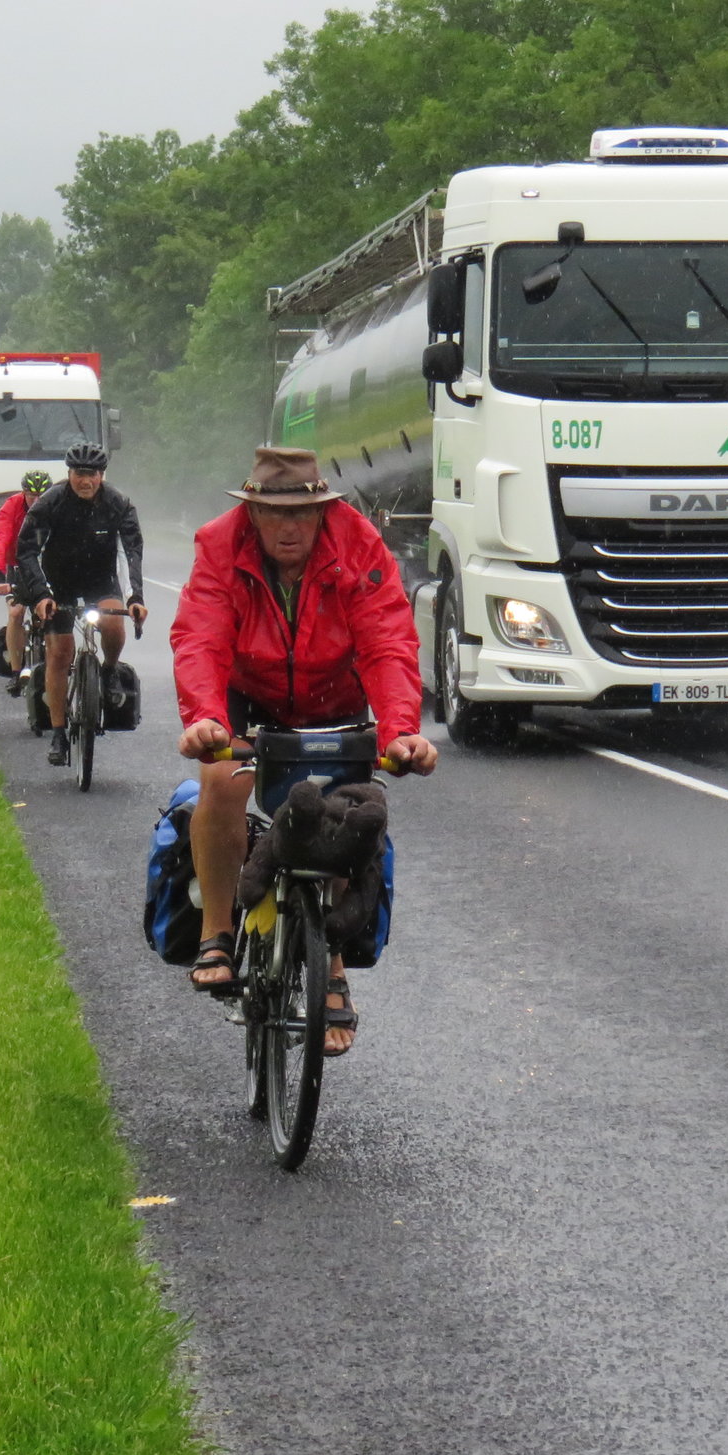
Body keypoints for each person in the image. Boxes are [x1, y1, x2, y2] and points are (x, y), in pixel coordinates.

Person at [170, 446, 438, 1054]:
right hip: (247, 694)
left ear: (324, 512)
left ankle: (331, 964)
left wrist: (400, 728)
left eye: (303, 514)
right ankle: (217, 933)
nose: (289, 528)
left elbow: (387, 639)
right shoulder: (219, 545)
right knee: (222, 781)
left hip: (331, 693)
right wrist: (207, 719)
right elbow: (201, 637)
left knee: (346, 808)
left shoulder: (358, 543)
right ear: (252, 513)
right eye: (272, 514)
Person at [12, 441, 147, 765]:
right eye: (79, 474)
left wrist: (136, 597)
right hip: (59, 582)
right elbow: (27, 551)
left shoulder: (118, 504)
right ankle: (58, 733)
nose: (86, 481)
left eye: (93, 474)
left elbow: (132, 552)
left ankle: (110, 670)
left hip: (101, 579)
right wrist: (42, 594)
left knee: (114, 625)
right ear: (70, 474)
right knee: (59, 654)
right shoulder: (51, 503)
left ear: (102, 475)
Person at [0, 468, 52, 694]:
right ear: (23, 493)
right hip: (16, 564)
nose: (36, 501)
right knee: (16, 613)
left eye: (41, 496)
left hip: (45, 563)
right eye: (31, 495)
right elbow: (0, 538)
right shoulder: (11, 506)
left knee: (52, 611)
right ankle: (16, 673)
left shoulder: (55, 505)